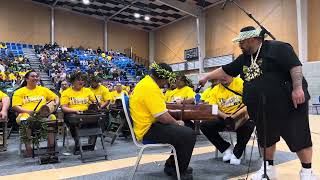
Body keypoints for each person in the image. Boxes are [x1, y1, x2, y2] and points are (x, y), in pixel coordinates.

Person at [199, 26, 317, 180]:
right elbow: (226, 70)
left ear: (252, 39)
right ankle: (268, 168)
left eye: (241, 42)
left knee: (299, 136)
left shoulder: (278, 48)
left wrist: (297, 88)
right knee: (266, 138)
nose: (239, 45)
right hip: (262, 108)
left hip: (289, 104)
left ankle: (307, 172)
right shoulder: (244, 58)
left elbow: (295, 66)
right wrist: (207, 77)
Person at [130, 63, 196, 180]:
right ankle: (180, 172)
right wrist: (177, 123)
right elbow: (162, 116)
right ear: (162, 78)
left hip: (149, 124)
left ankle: (171, 166)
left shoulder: (146, 83)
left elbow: (160, 112)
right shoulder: (150, 88)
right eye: (166, 80)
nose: (166, 83)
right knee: (188, 134)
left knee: (188, 127)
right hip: (147, 129)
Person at [200, 76, 254, 165]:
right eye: (220, 76)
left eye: (225, 76)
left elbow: (250, 102)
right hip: (225, 117)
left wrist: (236, 115)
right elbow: (214, 108)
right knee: (205, 125)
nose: (222, 78)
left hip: (242, 115)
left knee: (249, 125)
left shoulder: (241, 83)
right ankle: (226, 148)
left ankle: (237, 152)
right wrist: (225, 116)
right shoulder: (215, 89)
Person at [12, 70, 59, 156]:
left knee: (52, 118)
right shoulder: (19, 92)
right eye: (33, 76)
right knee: (24, 121)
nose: (35, 78)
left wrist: (55, 102)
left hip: (43, 115)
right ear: (26, 79)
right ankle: (29, 149)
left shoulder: (44, 90)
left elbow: (56, 97)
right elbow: (15, 106)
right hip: (26, 114)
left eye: (37, 76)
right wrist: (29, 112)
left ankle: (51, 148)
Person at [60, 72, 97, 154]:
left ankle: (91, 144)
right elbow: (64, 107)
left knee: (97, 120)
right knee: (74, 122)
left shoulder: (88, 91)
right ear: (73, 81)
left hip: (86, 114)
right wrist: (75, 111)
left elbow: (94, 102)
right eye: (78, 80)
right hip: (72, 114)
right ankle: (77, 143)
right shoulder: (66, 92)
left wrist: (94, 104)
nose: (81, 82)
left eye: (83, 80)